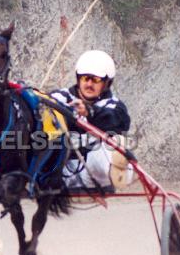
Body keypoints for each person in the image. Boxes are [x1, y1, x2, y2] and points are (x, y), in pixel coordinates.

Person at [51, 50, 134, 192]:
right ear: (78, 79)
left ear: (107, 83)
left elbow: (118, 122)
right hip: (60, 171)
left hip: (95, 175)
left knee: (115, 143)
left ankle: (118, 170)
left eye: (95, 80)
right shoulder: (59, 97)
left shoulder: (113, 105)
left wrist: (89, 112)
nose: (89, 84)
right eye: (85, 78)